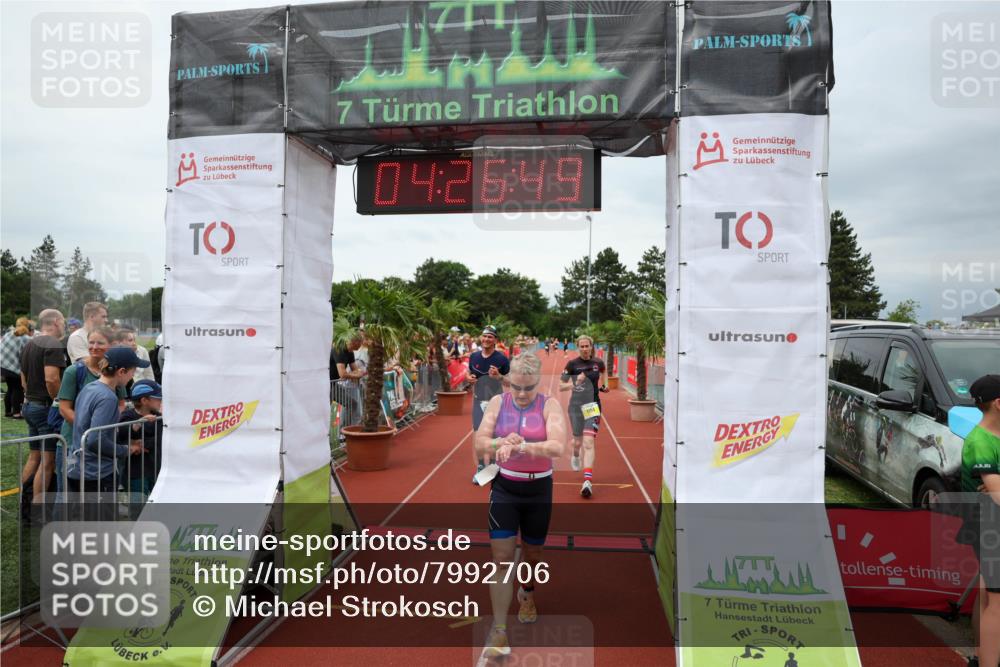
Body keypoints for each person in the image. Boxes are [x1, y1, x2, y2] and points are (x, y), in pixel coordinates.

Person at [474, 352, 567, 659]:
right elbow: (479, 441)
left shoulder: (549, 405)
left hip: (539, 490)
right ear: (508, 382)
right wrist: (502, 442)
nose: (523, 394)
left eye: (529, 388)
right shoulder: (500, 403)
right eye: (517, 387)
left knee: (532, 554)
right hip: (505, 489)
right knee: (501, 559)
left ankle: (527, 592)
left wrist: (523, 445)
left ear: (538, 383)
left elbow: (557, 446)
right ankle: (500, 630)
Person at [64, 347, 147, 503]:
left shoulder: (90, 387)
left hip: (78, 468)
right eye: (132, 371)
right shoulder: (108, 397)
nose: (132, 376)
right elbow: (95, 440)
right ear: (121, 371)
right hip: (96, 473)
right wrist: (126, 449)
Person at [960, 374, 1000, 667]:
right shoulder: (980, 442)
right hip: (989, 526)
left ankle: (979, 655)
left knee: (989, 593)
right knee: (996, 602)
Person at [57, 327, 126, 493]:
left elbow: (121, 403)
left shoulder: (114, 372)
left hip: (99, 447)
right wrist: (89, 430)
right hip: (73, 443)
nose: (94, 347)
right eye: (91, 342)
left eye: (100, 343)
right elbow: (64, 408)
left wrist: (105, 424)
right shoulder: (74, 371)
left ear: (112, 345)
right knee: (65, 498)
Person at [19, 309, 67, 504]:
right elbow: (51, 378)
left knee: (34, 457)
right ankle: (38, 507)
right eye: (63, 322)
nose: (63, 326)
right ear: (56, 322)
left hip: (30, 404)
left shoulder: (30, 343)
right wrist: (58, 400)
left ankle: (24, 502)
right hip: (45, 407)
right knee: (47, 462)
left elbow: (24, 380)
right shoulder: (53, 343)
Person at [559, 335, 607, 498]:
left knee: (588, 441)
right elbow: (560, 386)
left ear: (591, 347)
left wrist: (604, 386)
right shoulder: (572, 364)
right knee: (578, 441)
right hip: (575, 407)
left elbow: (603, 373)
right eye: (582, 346)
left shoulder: (598, 363)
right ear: (578, 347)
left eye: (587, 346)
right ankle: (575, 454)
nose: (585, 349)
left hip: (592, 406)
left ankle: (587, 481)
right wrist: (575, 383)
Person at [466, 325, 510, 482]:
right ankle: (480, 466)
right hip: (478, 400)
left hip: (496, 403)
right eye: (484, 336)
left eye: (490, 337)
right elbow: (469, 373)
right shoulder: (474, 356)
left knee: (493, 435)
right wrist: (468, 378)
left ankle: (492, 465)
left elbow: (510, 383)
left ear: (495, 340)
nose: (486, 339)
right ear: (481, 338)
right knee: (478, 435)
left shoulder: (502, 359)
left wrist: (499, 376)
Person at [118, 379, 163, 512]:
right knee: (138, 509)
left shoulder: (158, 417)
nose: (160, 401)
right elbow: (122, 433)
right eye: (157, 398)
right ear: (144, 400)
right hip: (135, 473)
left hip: (155, 470)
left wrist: (142, 443)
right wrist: (138, 423)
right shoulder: (128, 415)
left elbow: (159, 438)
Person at [1, 317, 33, 418]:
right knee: (17, 389)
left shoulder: (8, 334)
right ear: (28, 326)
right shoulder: (26, 338)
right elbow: (24, 355)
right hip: (13, 367)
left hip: (3, 365)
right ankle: (16, 413)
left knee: (10, 388)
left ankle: (7, 411)